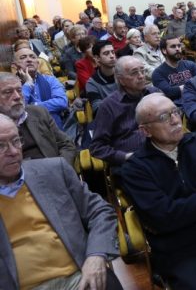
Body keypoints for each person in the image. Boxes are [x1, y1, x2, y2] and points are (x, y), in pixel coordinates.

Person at [121, 93, 196, 289]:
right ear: (145, 131)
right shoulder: (135, 169)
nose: (176, 119)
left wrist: (185, 209)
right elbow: (162, 218)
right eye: (163, 117)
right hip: (182, 250)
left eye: (175, 111)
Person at [0, 114, 122, 290]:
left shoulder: (53, 170)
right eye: (1, 146)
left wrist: (96, 254)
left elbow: (100, 211)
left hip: (79, 277)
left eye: (15, 141)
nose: (12, 151)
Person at [89, 56, 159, 175]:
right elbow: (97, 147)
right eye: (134, 73)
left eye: (142, 70)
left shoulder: (155, 93)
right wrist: (126, 157)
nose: (141, 76)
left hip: (161, 152)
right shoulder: (109, 106)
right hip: (131, 162)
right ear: (121, 80)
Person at [0, 72, 76, 165]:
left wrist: (61, 168)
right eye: (8, 92)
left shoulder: (38, 113)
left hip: (53, 170)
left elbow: (66, 144)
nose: (17, 96)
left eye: (19, 90)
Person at [12, 48, 68, 130]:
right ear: (14, 65)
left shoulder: (50, 80)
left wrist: (32, 106)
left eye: (32, 57)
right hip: (27, 133)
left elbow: (62, 102)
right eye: (23, 57)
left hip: (54, 129)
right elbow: (18, 110)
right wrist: (27, 85)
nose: (29, 60)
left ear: (38, 63)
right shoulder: (10, 85)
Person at [152, 35, 196, 107]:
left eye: (179, 46)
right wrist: (192, 86)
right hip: (177, 108)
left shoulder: (191, 65)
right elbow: (169, 92)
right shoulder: (158, 73)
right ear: (164, 50)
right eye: (173, 46)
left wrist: (178, 89)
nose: (177, 49)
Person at [86, 40, 118, 115]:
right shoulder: (92, 83)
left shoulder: (124, 73)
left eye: (113, 52)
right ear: (97, 58)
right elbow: (98, 109)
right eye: (106, 53)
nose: (112, 56)